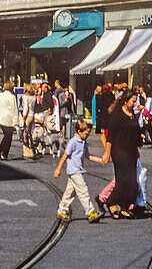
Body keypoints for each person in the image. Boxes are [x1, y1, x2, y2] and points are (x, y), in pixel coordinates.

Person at [101, 89, 143, 219]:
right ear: (126, 101)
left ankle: (124, 207)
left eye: (136, 101)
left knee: (132, 181)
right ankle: (110, 201)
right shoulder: (117, 115)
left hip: (131, 151)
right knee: (123, 180)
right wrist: (107, 152)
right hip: (119, 150)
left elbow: (135, 132)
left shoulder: (133, 114)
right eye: (133, 101)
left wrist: (137, 148)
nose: (135, 104)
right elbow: (110, 136)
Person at [54, 117, 105, 223]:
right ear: (79, 132)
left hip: (78, 170)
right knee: (83, 190)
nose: (88, 136)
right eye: (86, 134)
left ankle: (61, 210)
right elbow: (65, 156)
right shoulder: (73, 142)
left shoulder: (83, 142)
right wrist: (58, 168)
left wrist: (101, 160)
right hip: (74, 171)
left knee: (70, 193)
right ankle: (90, 212)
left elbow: (88, 156)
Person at [0, 81, 20, 159]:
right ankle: (5, 154)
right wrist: (16, 121)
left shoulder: (0, 95)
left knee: (6, 135)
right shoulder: (11, 96)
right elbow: (14, 109)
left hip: (0, 117)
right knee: (9, 137)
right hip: (8, 118)